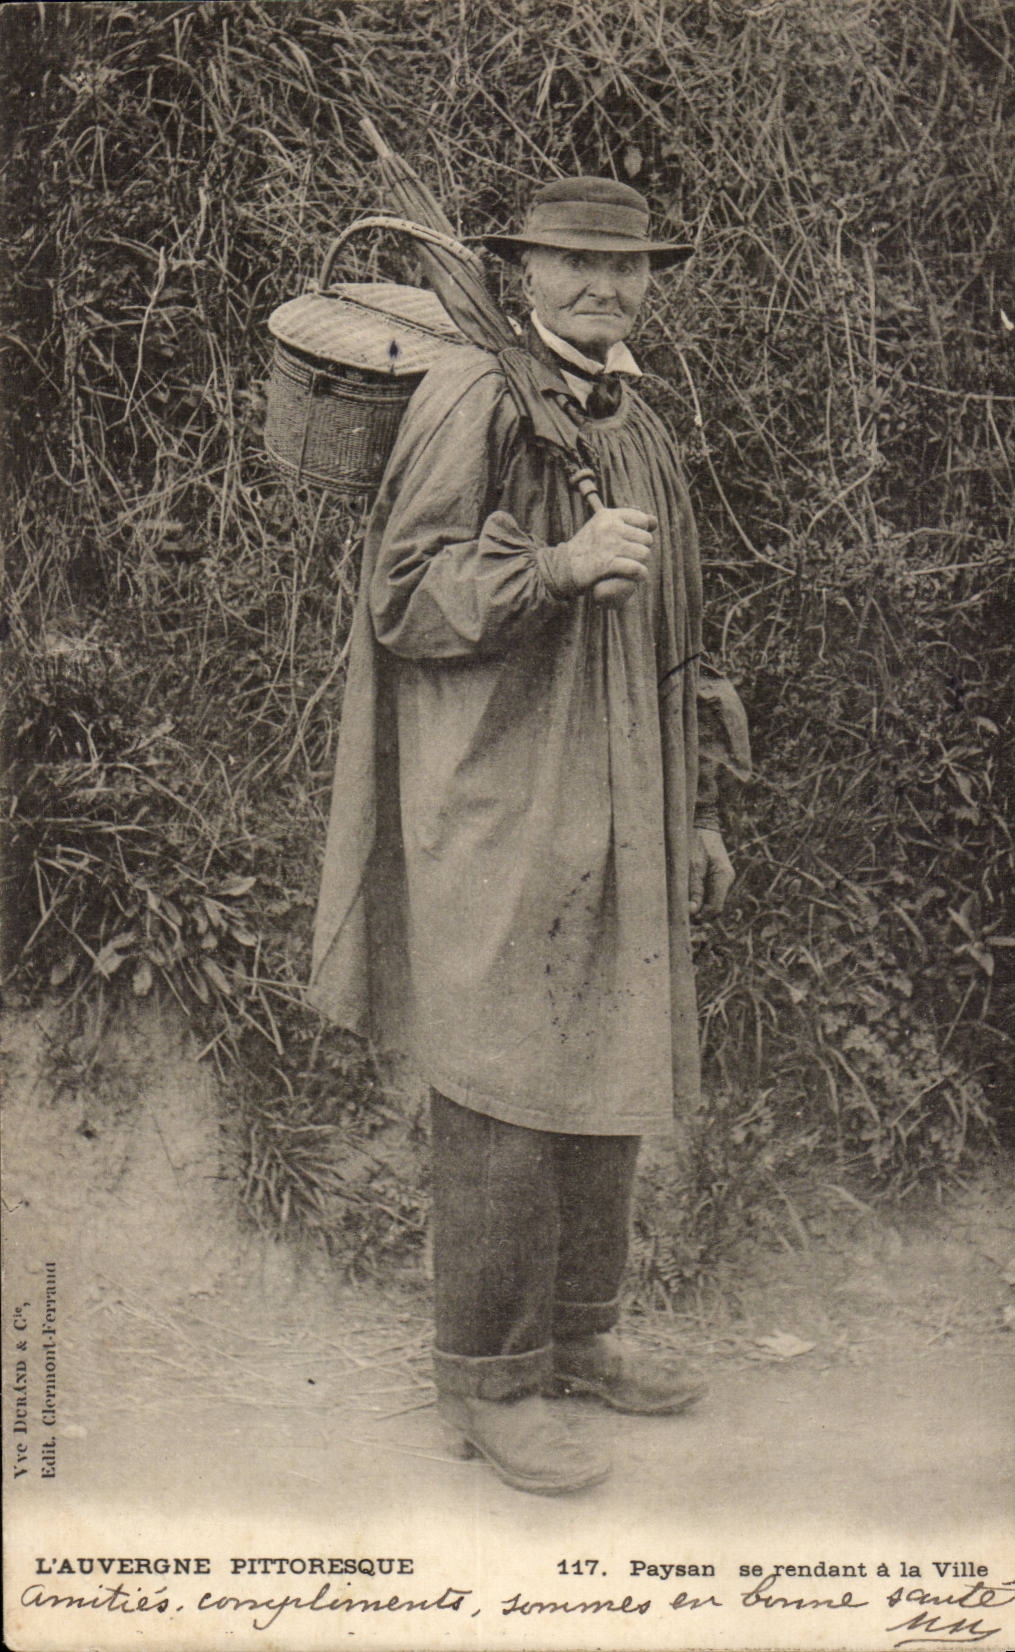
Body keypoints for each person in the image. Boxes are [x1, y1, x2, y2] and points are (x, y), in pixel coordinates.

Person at [309, 176, 751, 1495]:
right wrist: (554, 570)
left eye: (625, 269)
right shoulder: (474, 397)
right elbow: (404, 597)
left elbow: (676, 631)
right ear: (520, 272)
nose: (602, 287)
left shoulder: (633, 422)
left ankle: (581, 1336)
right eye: (571, 263)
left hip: (625, 790)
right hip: (498, 792)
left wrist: (701, 813)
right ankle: (489, 1384)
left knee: (605, 1054)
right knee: (500, 1079)